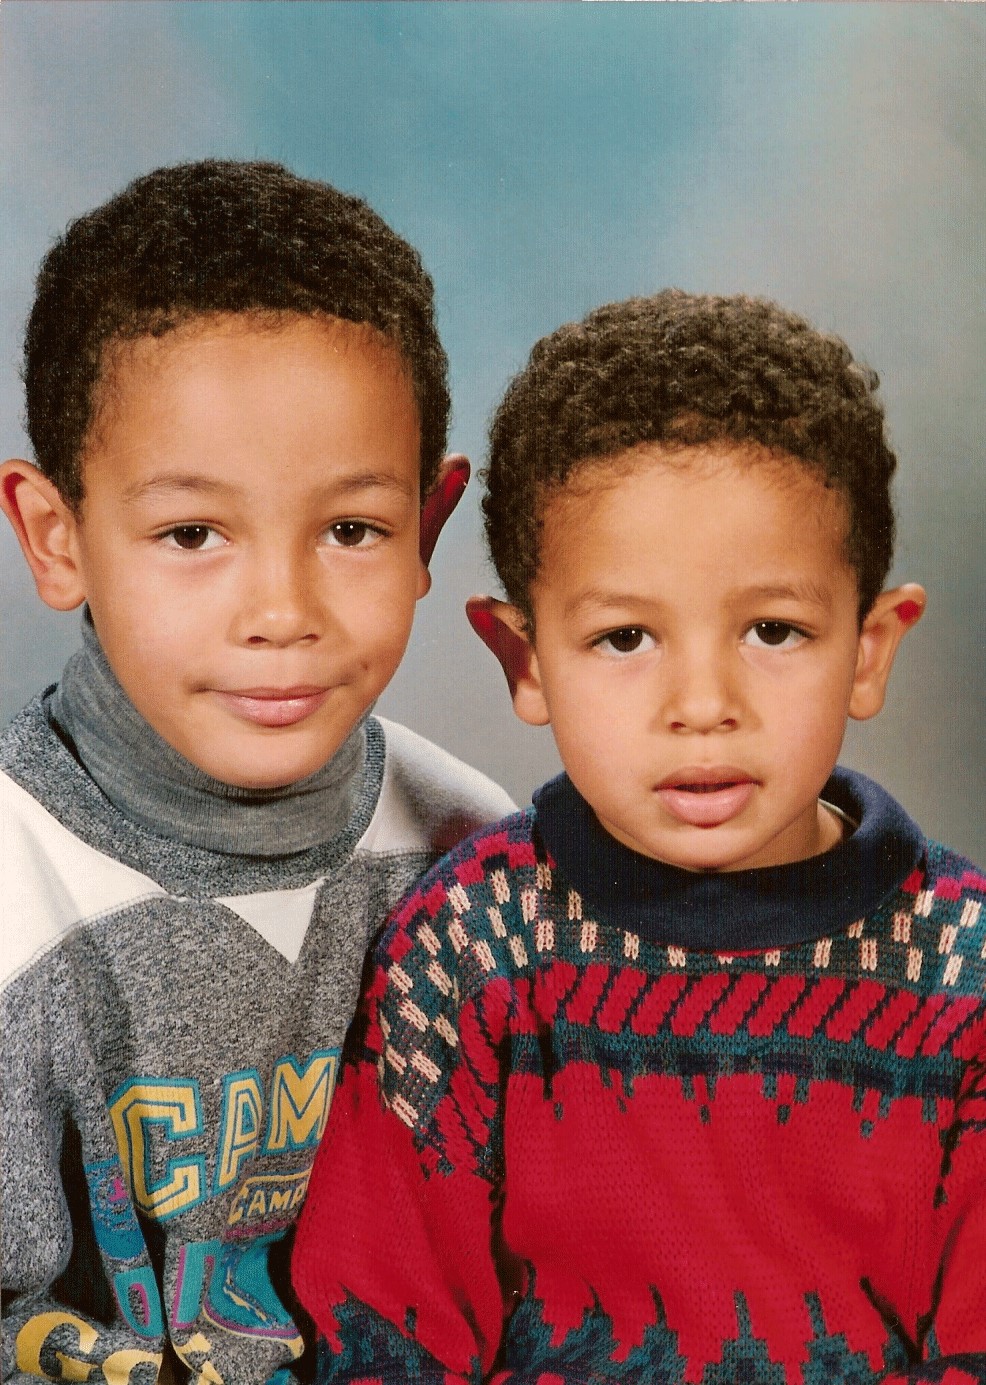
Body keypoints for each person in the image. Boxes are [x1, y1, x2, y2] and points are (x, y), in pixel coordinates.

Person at [292, 291, 986, 1384]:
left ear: (866, 647)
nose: (700, 702)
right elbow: (387, 1327)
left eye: (772, 630)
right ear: (523, 660)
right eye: (624, 636)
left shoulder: (964, 975)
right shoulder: (471, 944)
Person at [0, 159, 514, 1385]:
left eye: (351, 529)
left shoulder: (473, 850)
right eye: (192, 535)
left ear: (431, 527)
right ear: (55, 535)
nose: (281, 611)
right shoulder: (17, 890)